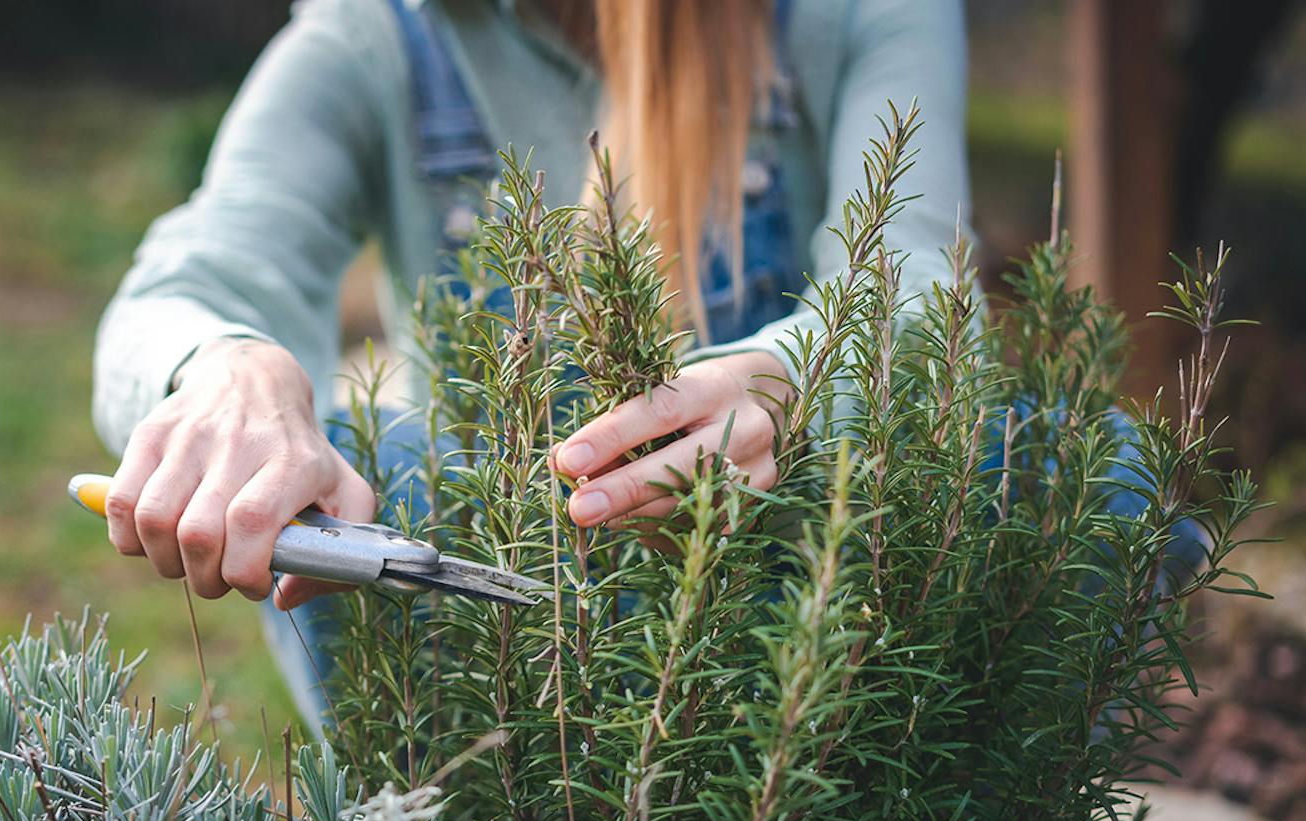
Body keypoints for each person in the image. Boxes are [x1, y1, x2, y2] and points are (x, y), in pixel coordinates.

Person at [91, 0, 970, 728]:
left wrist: (795, 381)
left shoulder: (852, 16)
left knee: (1086, 464)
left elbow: (918, 282)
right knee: (367, 471)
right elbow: (190, 282)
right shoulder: (382, 33)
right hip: (502, 650)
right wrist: (226, 368)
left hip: (799, 596)